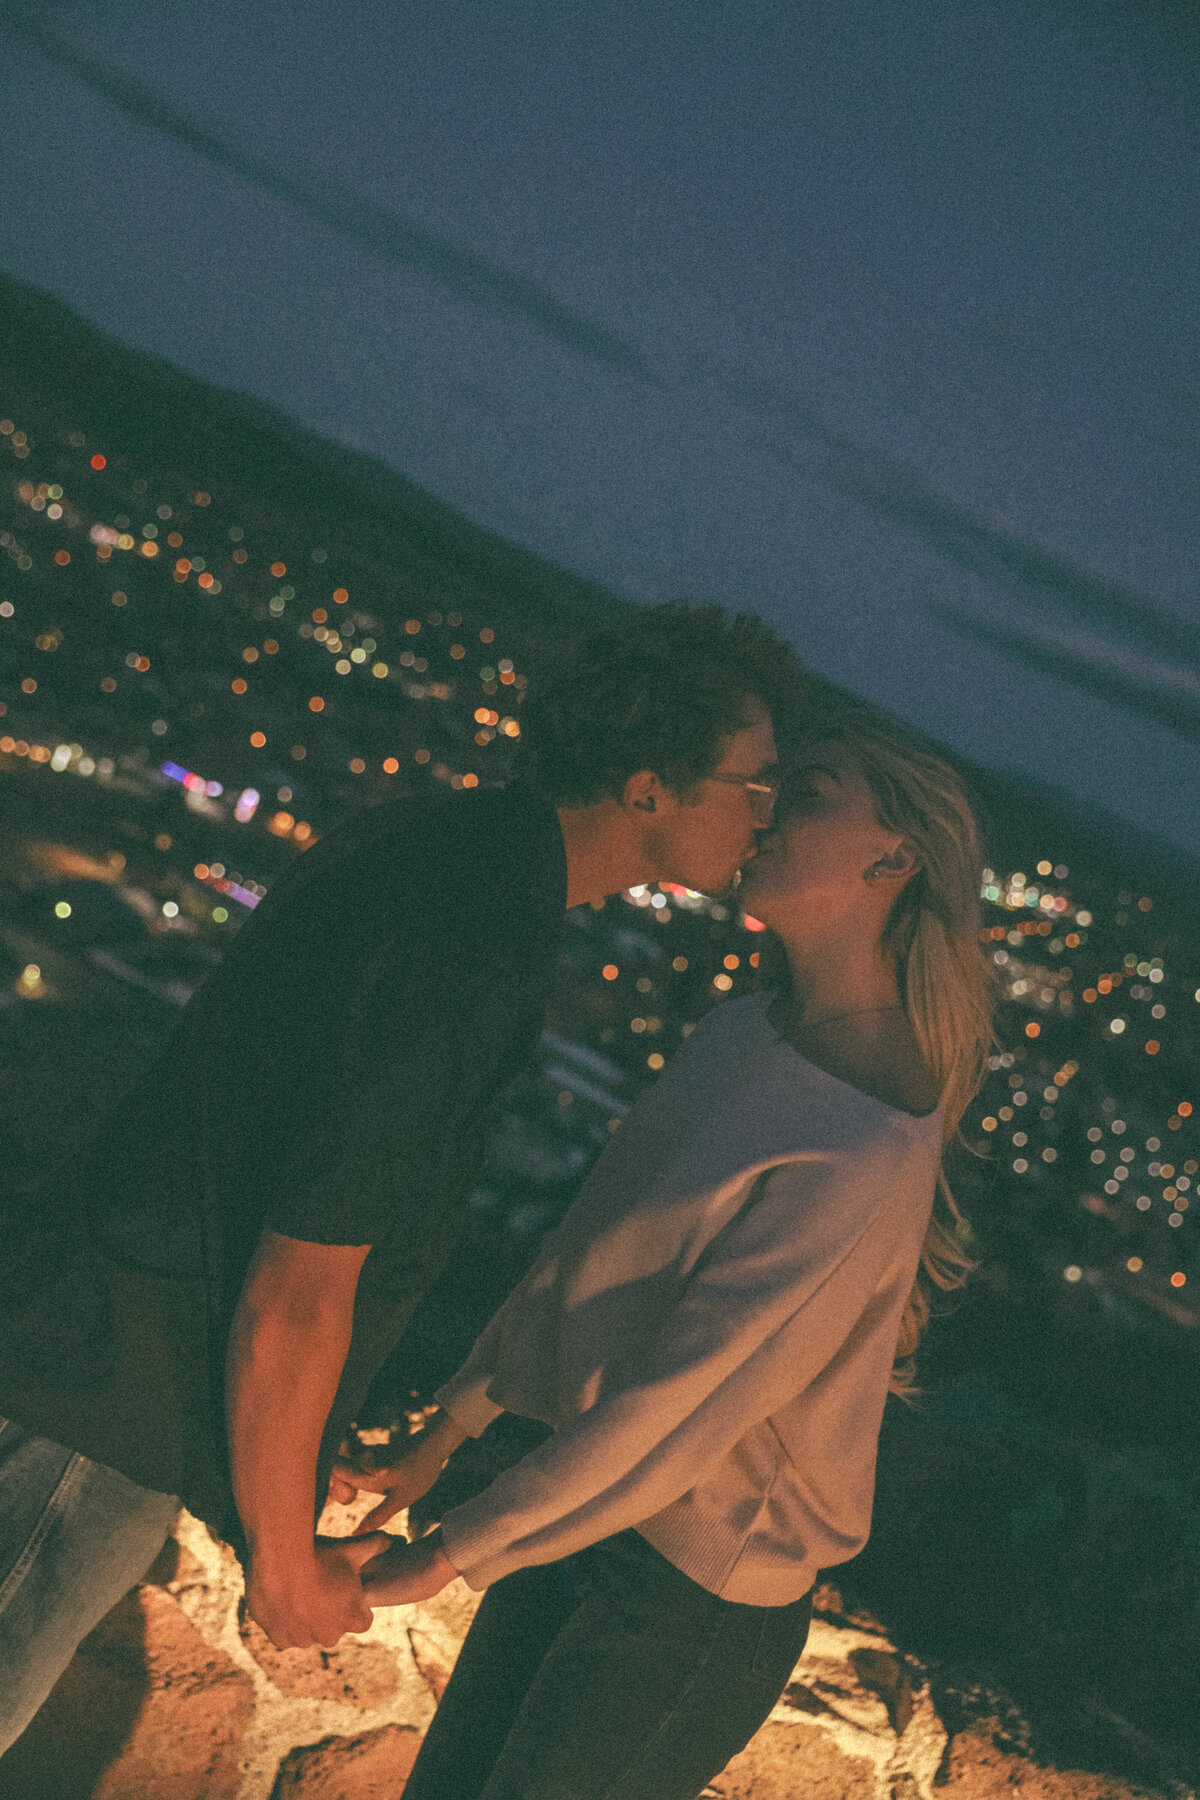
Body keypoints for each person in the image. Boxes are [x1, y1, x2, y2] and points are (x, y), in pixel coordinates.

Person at [0, 601, 797, 1756]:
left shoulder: (448, 850)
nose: (763, 819)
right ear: (646, 790)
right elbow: (305, 1277)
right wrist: (282, 1559)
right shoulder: (476, 931)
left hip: (84, 1339)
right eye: (753, 784)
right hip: (106, 1392)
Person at [334, 709, 994, 1800]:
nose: (772, 812)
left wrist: (450, 1550)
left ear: (895, 857)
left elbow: (681, 1405)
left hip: (688, 1603)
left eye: (814, 795)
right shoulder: (745, 1032)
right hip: (579, 1521)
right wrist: (447, 1428)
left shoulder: (867, 1136)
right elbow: (584, 1261)